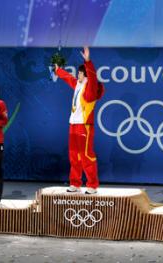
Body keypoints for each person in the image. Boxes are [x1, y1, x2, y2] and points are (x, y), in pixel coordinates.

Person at [54, 47, 104, 194]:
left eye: (80, 73)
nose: (77, 75)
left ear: (85, 74)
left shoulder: (90, 89)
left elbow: (93, 78)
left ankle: (92, 185)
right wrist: (57, 70)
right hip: (73, 125)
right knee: (73, 155)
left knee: (86, 156)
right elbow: (68, 77)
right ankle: (75, 183)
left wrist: (87, 61)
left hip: (85, 126)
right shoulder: (77, 84)